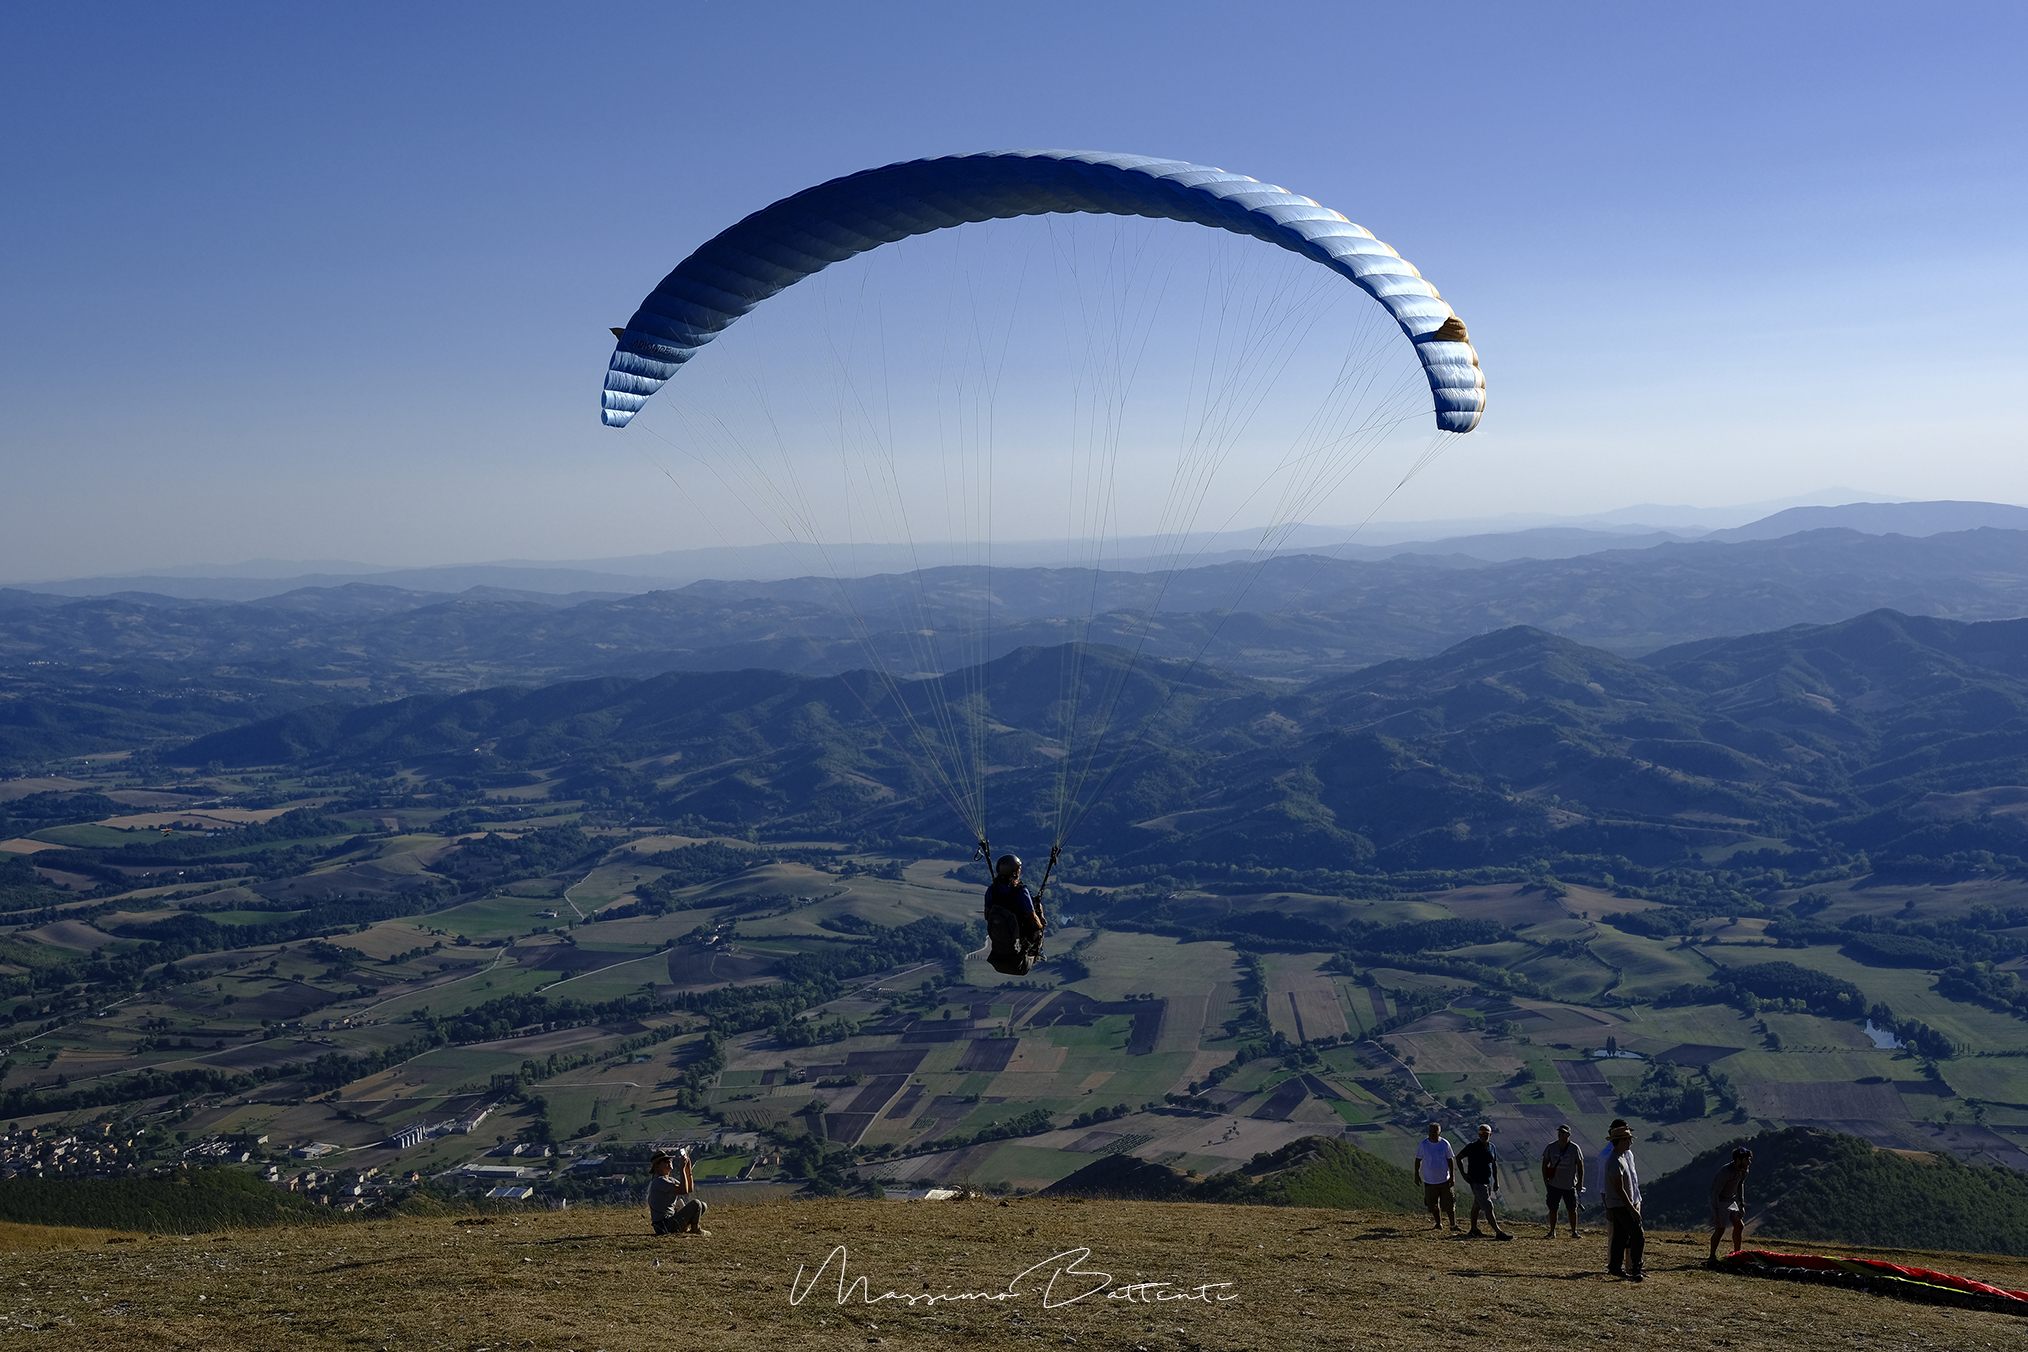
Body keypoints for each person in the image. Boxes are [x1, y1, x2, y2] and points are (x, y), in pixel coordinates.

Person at [983, 854, 1046, 972]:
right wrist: (1041, 926)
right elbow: (1032, 918)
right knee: (1038, 912)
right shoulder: (1021, 892)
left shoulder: (991, 890)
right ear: (1014, 872)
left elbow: (987, 916)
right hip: (1020, 937)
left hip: (1001, 939)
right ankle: (1039, 951)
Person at [1601, 1122, 1644, 1281]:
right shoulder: (1615, 1161)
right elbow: (1619, 1189)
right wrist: (1631, 1209)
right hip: (1620, 1205)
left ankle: (1615, 1268)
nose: (1630, 1142)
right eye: (1628, 1139)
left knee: (1620, 1236)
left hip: (1618, 1205)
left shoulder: (1620, 1158)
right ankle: (1635, 1269)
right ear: (1621, 1141)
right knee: (1637, 1235)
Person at [1456, 1122, 1513, 1240]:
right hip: (1476, 1182)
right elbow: (1459, 1157)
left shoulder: (1492, 1147)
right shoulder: (1472, 1147)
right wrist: (1463, 1174)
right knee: (1488, 1206)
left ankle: (1473, 1229)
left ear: (1490, 1135)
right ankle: (1499, 1232)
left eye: (1486, 1133)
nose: (1483, 1135)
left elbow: (1494, 1164)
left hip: (1487, 1181)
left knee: (1477, 1205)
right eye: (1481, 1133)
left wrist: (1496, 1181)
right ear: (1478, 1134)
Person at [648, 1148, 708, 1236]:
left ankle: (686, 1228)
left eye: (670, 1160)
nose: (669, 1162)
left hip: (670, 1221)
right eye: (665, 1161)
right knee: (696, 1204)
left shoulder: (669, 1180)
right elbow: (683, 1190)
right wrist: (682, 1169)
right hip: (664, 1225)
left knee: (702, 1205)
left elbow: (689, 1189)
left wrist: (688, 1170)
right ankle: (695, 1230)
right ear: (657, 1166)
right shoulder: (660, 1181)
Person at [1540, 1123, 1586, 1238]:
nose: (1560, 1134)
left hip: (1570, 1185)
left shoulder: (1575, 1148)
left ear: (1569, 1134)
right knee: (1553, 1208)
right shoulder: (1551, 1147)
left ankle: (1574, 1231)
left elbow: (1580, 1166)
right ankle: (1552, 1231)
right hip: (1554, 1184)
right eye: (1559, 1132)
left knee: (1572, 1208)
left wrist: (1580, 1183)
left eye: (1563, 1132)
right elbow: (1544, 1164)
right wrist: (1546, 1181)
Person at [1412, 1121, 1459, 1232]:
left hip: (1444, 1180)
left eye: (1435, 1131)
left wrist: (1452, 1176)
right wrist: (1416, 1174)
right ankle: (1438, 1224)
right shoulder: (1423, 1144)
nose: (1432, 1134)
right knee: (1432, 1204)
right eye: (1430, 1131)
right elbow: (1418, 1159)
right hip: (1430, 1181)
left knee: (1449, 1204)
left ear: (1439, 1132)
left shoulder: (1445, 1144)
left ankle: (1453, 1225)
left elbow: (1450, 1160)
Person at [1708, 1147, 1752, 1261]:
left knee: (1739, 1226)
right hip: (1719, 1200)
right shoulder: (1725, 1172)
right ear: (1738, 1160)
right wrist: (1716, 1213)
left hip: (1731, 1200)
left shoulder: (1744, 1170)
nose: (1749, 1162)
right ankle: (1712, 1256)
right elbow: (1715, 1193)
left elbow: (1740, 1184)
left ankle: (1737, 1254)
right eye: (1747, 1160)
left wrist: (1741, 1204)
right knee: (1720, 1229)